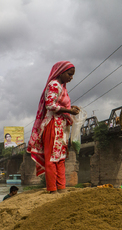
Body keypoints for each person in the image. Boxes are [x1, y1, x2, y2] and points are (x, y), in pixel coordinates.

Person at [27, 61, 80, 194]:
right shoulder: (54, 85)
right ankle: (52, 189)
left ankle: (61, 187)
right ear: (61, 72)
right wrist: (69, 111)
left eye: (72, 75)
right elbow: (50, 105)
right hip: (52, 124)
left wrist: (70, 109)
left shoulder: (62, 87)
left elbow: (60, 105)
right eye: (69, 74)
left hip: (60, 125)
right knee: (52, 158)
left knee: (60, 157)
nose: (71, 78)